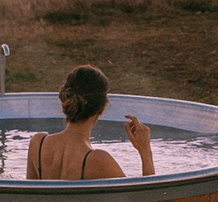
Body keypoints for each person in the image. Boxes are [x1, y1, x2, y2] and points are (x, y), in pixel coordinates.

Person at [26, 65, 154, 180]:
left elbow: (29, 200)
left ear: (64, 101)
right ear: (101, 109)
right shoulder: (98, 160)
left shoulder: (38, 144)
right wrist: (145, 151)